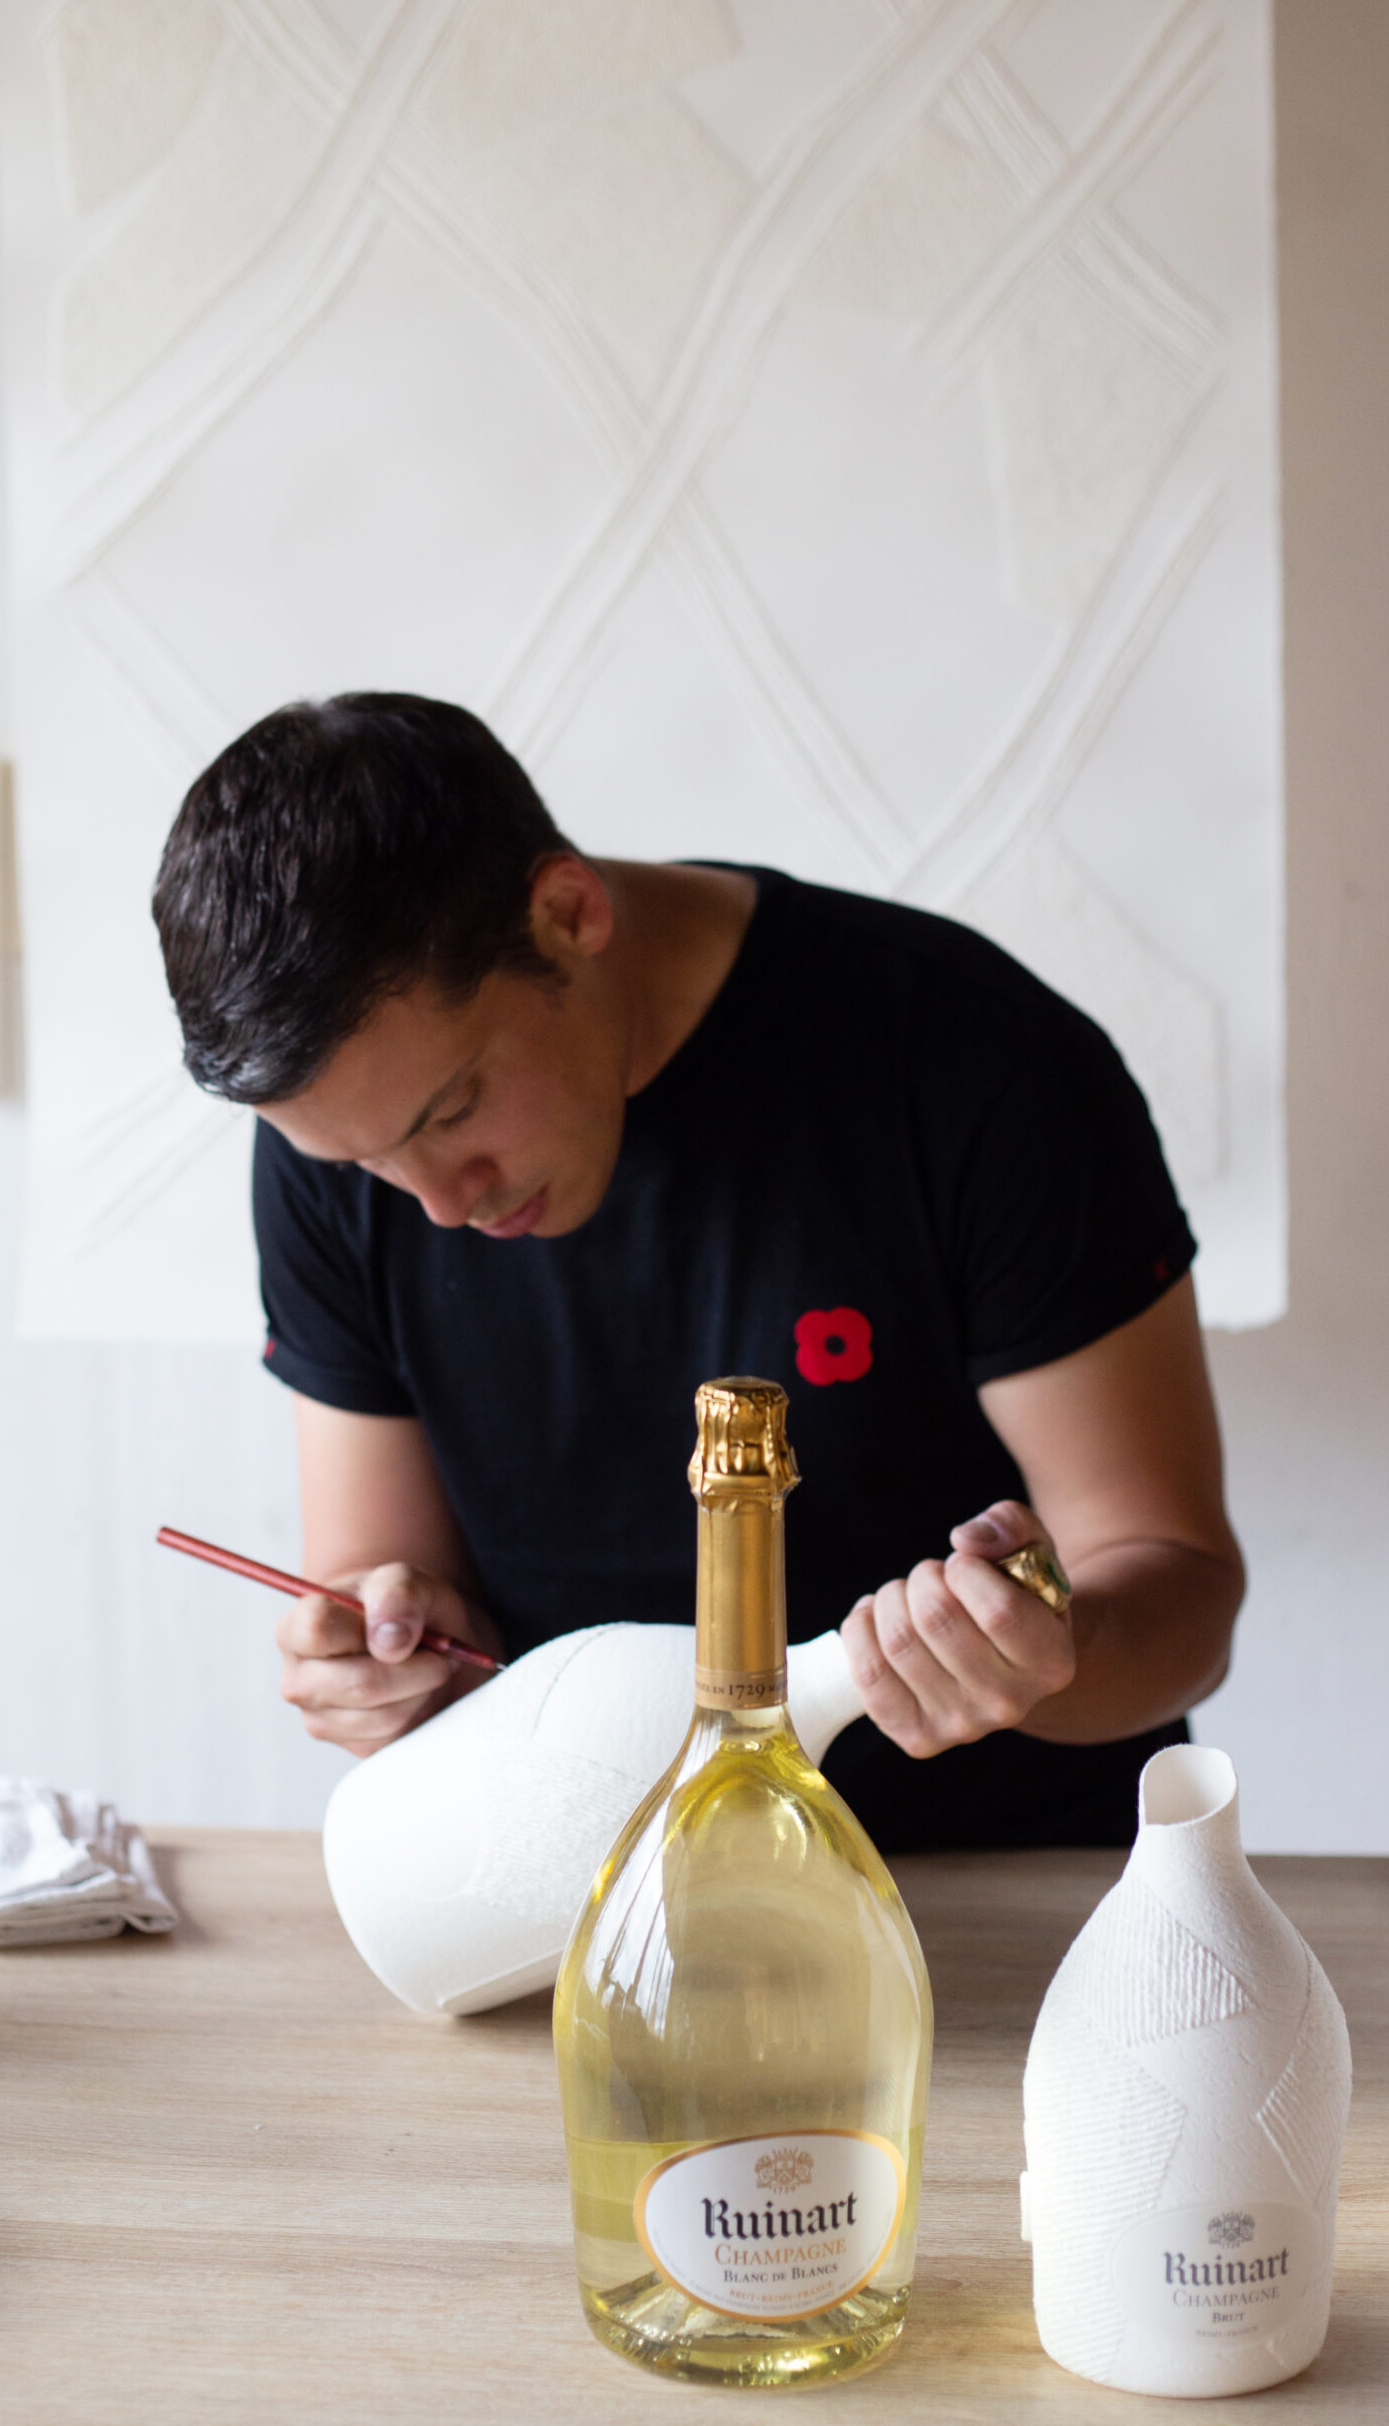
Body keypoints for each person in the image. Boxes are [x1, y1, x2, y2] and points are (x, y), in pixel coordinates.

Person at [152, 693, 1244, 1850]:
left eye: (453, 1110)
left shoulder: (976, 1066)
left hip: (1004, 1885)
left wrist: (1045, 1658)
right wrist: (383, 1659)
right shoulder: (348, 1133)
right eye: (361, 1162)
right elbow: (389, 1582)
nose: (438, 1206)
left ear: (567, 913)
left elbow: (1179, 1589)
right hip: (587, 1896)